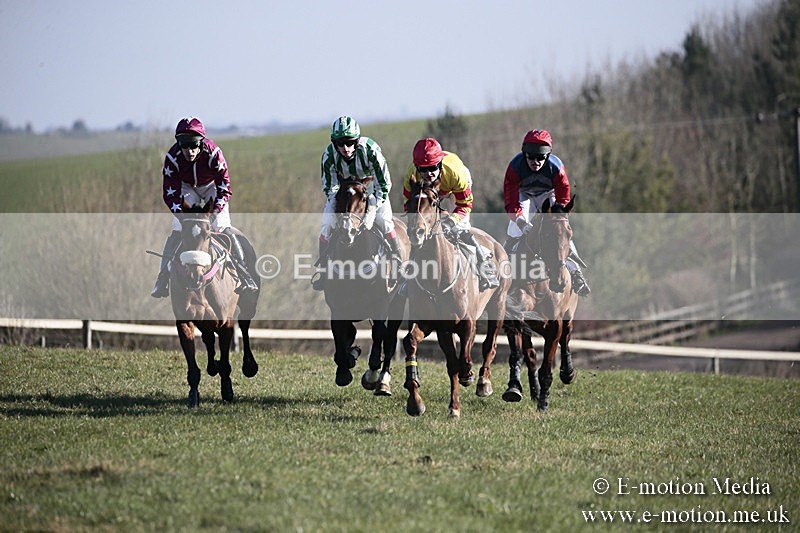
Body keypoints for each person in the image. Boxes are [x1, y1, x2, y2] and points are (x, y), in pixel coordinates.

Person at [151, 117, 258, 297]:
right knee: (178, 229)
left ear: (202, 143)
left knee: (222, 227)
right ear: (178, 143)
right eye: (184, 145)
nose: (190, 151)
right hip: (186, 188)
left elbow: (225, 187)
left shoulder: (214, 153)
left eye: (194, 145)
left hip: (212, 186)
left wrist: (214, 212)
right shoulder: (172, 157)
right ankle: (163, 278)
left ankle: (243, 274)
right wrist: (182, 216)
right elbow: (170, 193)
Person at [312, 115, 402, 290]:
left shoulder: (371, 151)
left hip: (372, 191)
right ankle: (323, 270)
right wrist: (340, 206)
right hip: (345, 192)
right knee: (327, 224)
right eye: (340, 143)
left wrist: (373, 207)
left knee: (384, 222)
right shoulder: (329, 156)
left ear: (357, 140)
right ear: (334, 143)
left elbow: (384, 184)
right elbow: (329, 187)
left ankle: (397, 264)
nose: (345, 148)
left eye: (349, 142)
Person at [403, 137, 500, 292]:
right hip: (428, 194)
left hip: (452, 190)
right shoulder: (411, 176)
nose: (428, 173)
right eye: (424, 169)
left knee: (459, 230)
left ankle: (484, 266)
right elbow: (409, 205)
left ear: (440, 163)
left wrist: (452, 221)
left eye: (433, 167)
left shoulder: (456, 174)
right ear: (417, 168)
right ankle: (408, 278)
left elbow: (465, 205)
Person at [503, 128, 591, 296]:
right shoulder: (514, 167)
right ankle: (505, 265)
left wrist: (558, 216)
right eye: (530, 157)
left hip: (548, 194)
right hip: (524, 194)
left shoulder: (556, 168)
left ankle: (576, 272)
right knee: (514, 229)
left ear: (548, 156)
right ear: (524, 154)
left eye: (541, 157)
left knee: (560, 232)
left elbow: (563, 199)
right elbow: (511, 201)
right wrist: (521, 221)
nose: (535, 162)